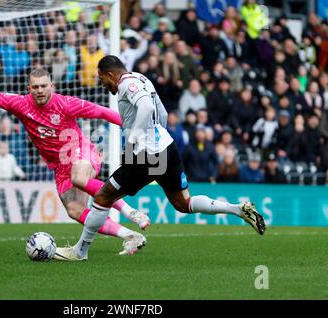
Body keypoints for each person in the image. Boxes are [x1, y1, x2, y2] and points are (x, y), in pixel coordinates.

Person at [54, 55, 266, 261]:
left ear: (110, 74)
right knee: (183, 203)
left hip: (146, 155)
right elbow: (161, 113)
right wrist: (155, 135)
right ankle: (237, 209)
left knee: (102, 198)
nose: (103, 85)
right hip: (166, 146)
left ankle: (80, 252)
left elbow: (146, 107)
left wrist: (135, 139)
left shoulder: (127, 84)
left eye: (102, 79)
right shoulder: (141, 78)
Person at [0, 68, 150, 254]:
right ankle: (128, 235)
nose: (40, 90)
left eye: (44, 86)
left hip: (79, 149)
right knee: (74, 210)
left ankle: (132, 212)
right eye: (36, 87)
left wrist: (137, 127)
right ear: (29, 89)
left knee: (79, 178)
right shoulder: (20, 104)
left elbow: (102, 112)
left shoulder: (65, 103)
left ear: (52, 86)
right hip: (59, 166)